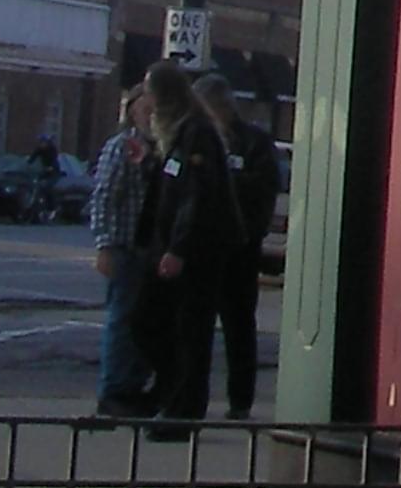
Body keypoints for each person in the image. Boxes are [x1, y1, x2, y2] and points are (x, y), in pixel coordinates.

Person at [134, 61, 241, 436]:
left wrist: (178, 247)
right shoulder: (175, 134)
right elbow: (166, 191)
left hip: (198, 251)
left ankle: (184, 412)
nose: (145, 100)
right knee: (147, 321)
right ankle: (167, 391)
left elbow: (196, 195)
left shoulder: (196, 135)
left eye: (150, 92)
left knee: (191, 332)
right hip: (170, 247)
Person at [192, 74, 280, 419]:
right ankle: (191, 397)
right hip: (201, 248)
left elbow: (265, 189)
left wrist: (226, 182)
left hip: (240, 249)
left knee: (239, 326)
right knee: (196, 328)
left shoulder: (254, 143)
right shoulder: (196, 139)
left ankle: (240, 400)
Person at [83, 87, 155, 417]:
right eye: (145, 108)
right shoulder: (123, 147)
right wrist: (105, 244)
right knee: (122, 319)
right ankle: (112, 391)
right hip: (125, 247)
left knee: (144, 323)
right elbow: (103, 197)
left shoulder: (159, 150)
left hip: (151, 251)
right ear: (132, 111)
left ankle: (133, 387)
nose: (150, 114)